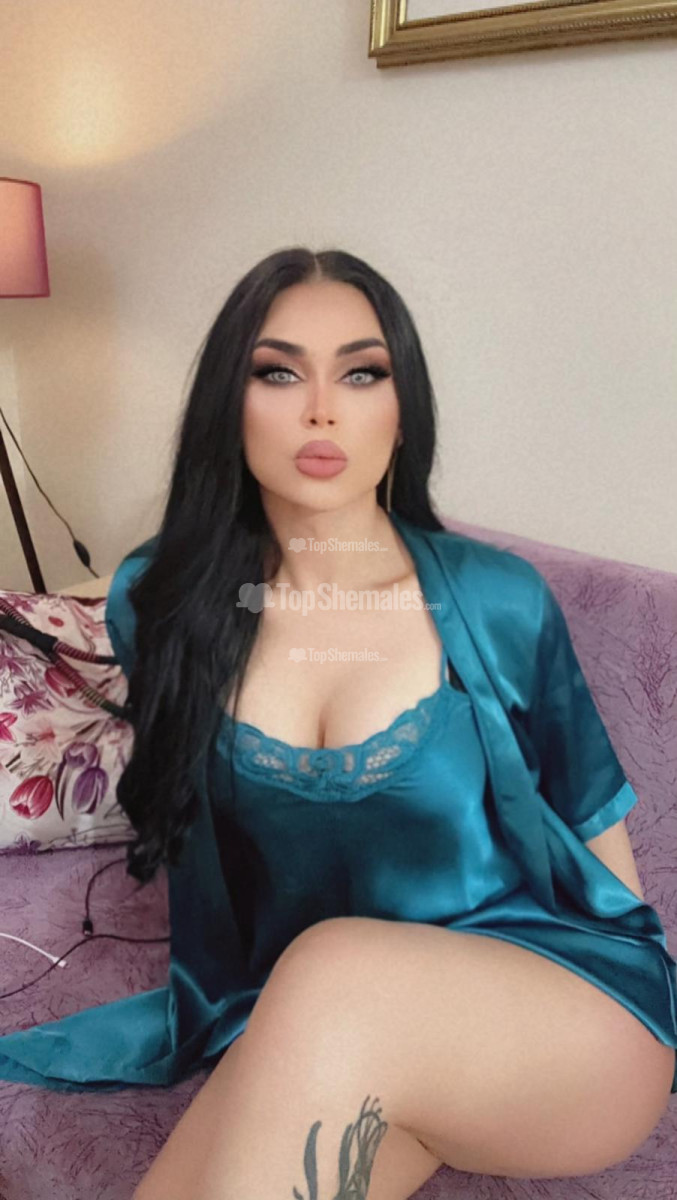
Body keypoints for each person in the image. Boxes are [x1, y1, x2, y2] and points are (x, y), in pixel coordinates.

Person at [0, 249, 675, 1198]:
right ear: (227, 404)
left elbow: (603, 854)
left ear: (402, 411)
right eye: (279, 374)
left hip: (555, 1017)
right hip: (342, 1027)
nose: (322, 409)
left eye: (361, 374)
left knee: (328, 965)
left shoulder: (497, 602)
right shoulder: (162, 601)